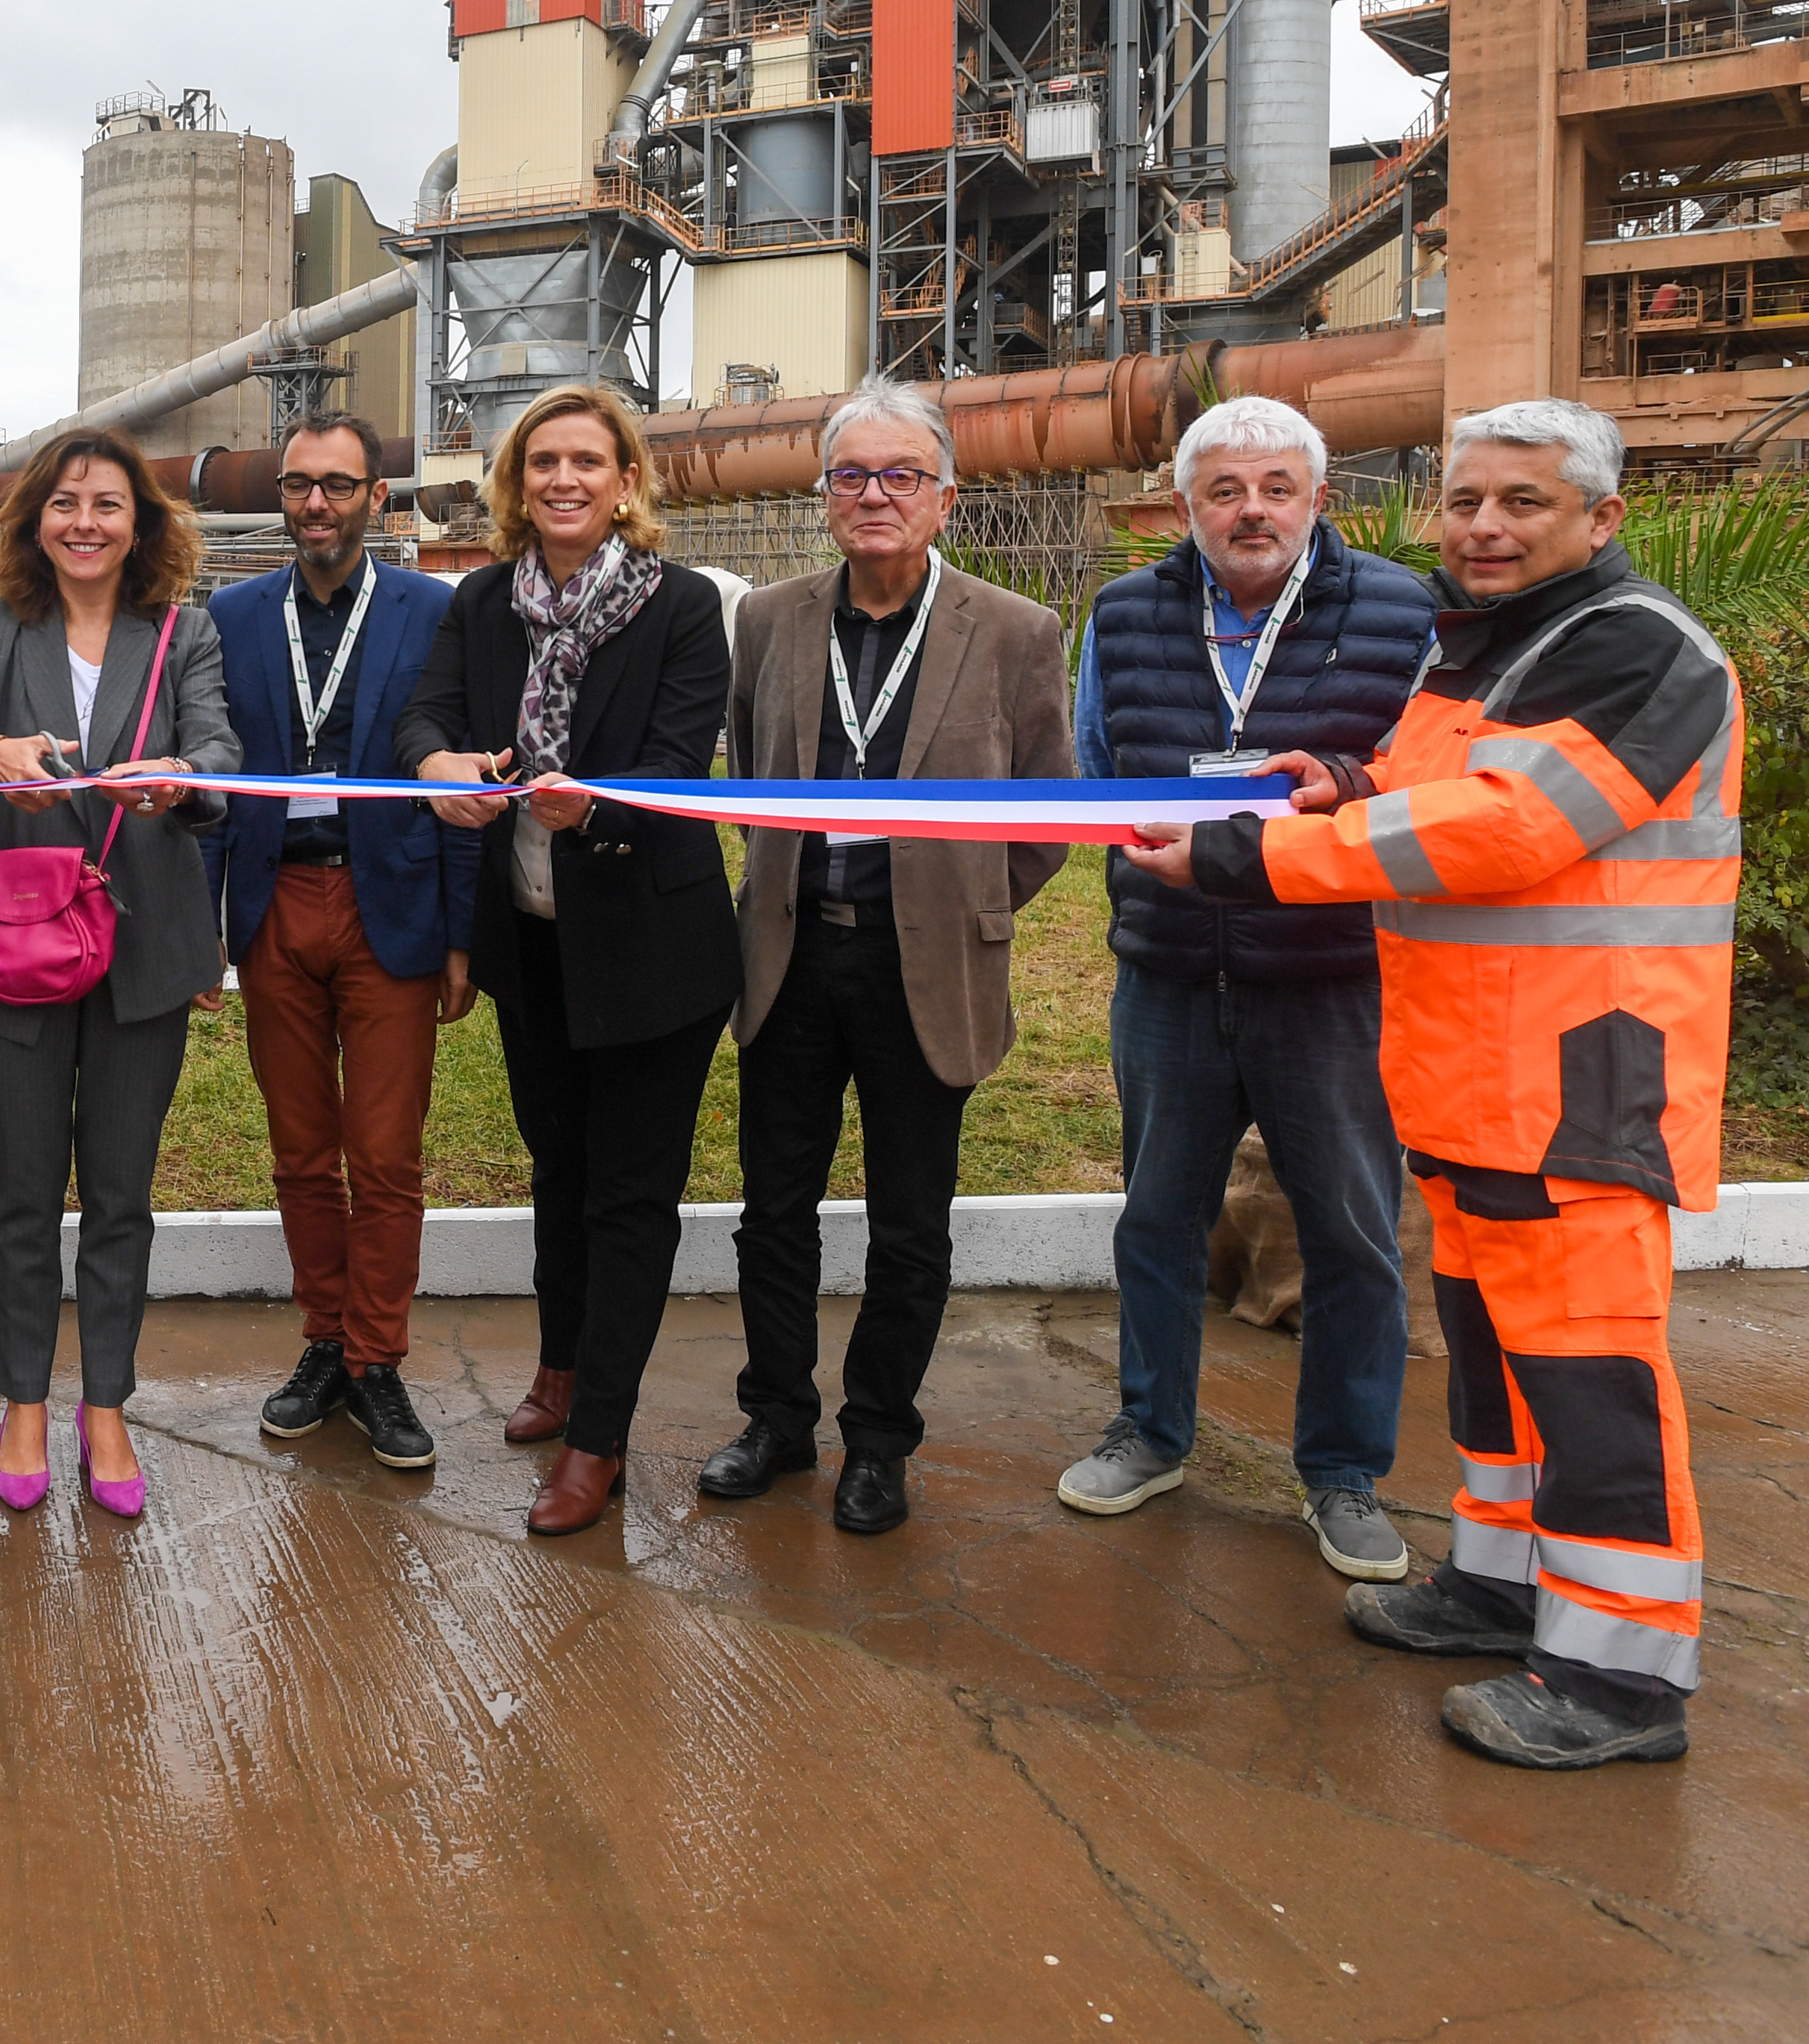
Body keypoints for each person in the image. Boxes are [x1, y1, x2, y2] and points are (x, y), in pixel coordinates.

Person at [1130, 399, 1740, 1771]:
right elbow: (1421, 789)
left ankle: (1621, 1679)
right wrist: (1337, 783)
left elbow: (1510, 827)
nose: (1483, 526)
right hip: (1471, 1087)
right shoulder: (1486, 655)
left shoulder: (1638, 651)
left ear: (1602, 518)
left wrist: (1255, 857)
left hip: (1584, 1085)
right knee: (1493, 1362)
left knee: (1591, 1380)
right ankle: (1501, 1584)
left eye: (1522, 502)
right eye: (1466, 500)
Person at [1063, 396, 1431, 1580]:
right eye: (1225, 490)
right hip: (1168, 973)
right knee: (1158, 1221)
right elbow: (1096, 772)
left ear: (1321, 497)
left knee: (1352, 1237)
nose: (1252, 510)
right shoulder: (1121, 615)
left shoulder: (1402, 612)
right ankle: (1151, 1431)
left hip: (1331, 981)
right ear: (1186, 506)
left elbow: (1424, 785)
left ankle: (1343, 1474)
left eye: (1277, 486)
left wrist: (1341, 781)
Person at [701, 377, 1073, 1536]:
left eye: (900, 475)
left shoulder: (1017, 632)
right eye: (852, 475)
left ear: (945, 497)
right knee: (775, 1209)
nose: (876, 495)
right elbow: (745, 768)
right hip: (792, 957)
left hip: (930, 971)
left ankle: (879, 1438)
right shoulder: (767, 619)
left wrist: (960, 906)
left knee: (912, 1220)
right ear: (823, 496)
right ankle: (776, 1417)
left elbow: (1049, 815)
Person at [405, 384, 744, 1534]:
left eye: (586, 462)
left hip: (654, 949)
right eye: (541, 461)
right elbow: (425, 720)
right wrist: (444, 767)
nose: (563, 479)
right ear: (515, 482)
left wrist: (583, 807)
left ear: (626, 481)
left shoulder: (683, 607)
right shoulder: (483, 606)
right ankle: (558, 1367)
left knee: (630, 1196)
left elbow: (676, 769)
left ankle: (599, 1436)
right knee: (557, 1164)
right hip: (533, 946)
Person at [0, 427, 235, 1517]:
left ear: (139, 523)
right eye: (65, 504)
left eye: (106, 505)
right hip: (17, 945)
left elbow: (224, 757)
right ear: (34, 521)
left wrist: (181, 779)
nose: (85, 523)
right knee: (24, 1192)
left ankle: (105, 1409)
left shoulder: (183, 632)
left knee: (121, 1197)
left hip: (145, 951)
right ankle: (24, 1404)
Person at [207, 409, 478, 1470]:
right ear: (279, 497)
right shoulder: (229, 616)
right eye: (297, 485)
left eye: (337, 484)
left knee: (386, 1153)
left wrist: (460, 936)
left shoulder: (427, 609)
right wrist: (206, 930)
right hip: (276, 905)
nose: (315, 503)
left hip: (391, 905)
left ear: (377, 497)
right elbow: (210, 778)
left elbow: (453, 770)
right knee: (301, 1153)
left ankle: (379, 1360)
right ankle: (324, 1343)